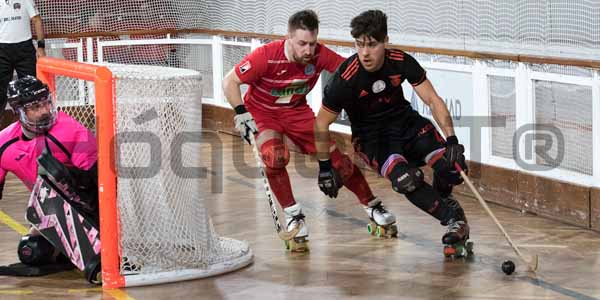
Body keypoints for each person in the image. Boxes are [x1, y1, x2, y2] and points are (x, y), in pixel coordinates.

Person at [222, 9, 397, 249]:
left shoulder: (319, 55)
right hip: (263, 114)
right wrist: (241, 112)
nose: (308, 51)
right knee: (275, 156)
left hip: (297, 112)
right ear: (289, 38)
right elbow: (230, 81)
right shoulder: (265, 56)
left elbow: (351, 71)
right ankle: (294, 216)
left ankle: (373, 205)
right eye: (302, 44)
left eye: (312, 44)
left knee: (339, 161)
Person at [314, 10, 472, 256]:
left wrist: (452, 139)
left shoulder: (400, 61)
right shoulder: (344, 79)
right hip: (373, 139)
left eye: (372, 44)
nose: (364, 52)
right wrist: (325, 166)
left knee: (452, 167)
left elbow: (432, 99)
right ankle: (453, 218)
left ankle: (443, 201)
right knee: (407, 179)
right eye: (359, 44)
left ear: (385, 41)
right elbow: (321, 124)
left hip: (407, 124)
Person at [0, 76, 100, 277]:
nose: (45, 110)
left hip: (89, 205)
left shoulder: (71, 129)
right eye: (36, 107)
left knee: (51, 172)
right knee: (32, 251)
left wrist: (65, 175)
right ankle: (65, 250)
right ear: (19, 112)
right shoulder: (4, 143)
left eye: (47, 103)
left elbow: (97, 181)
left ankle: (94, 242)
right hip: (49, 208)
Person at [0, 0, 46, 113]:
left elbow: (37, 20)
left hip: (25, 50)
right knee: (0, 92)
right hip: (2, 50)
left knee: (29, 91)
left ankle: (32, 125)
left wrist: (41, 46)